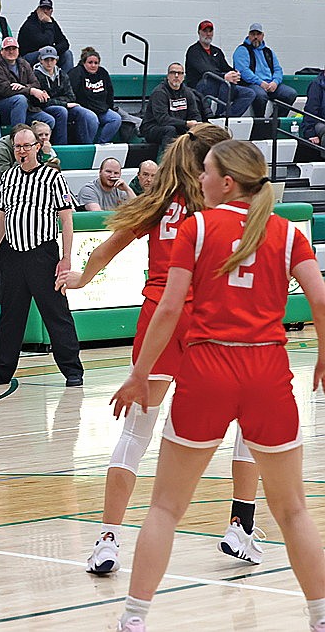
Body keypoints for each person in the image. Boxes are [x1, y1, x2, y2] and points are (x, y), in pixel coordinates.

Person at [108, 139, 325, 632]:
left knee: (165, 507)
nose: (198, 179)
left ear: (227, 181)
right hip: (267, 371)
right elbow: (321, 300)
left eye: (205, 172)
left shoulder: (197, 228)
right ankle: (319, 617)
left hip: (207, 369)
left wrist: (139, 374)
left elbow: (168, 309)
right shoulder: (288, 232)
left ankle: (134, 619)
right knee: (293, 511)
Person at [57, 125, 264, 577]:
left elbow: (108, 247)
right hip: (206, 322)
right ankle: (239, 525)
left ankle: (108, 539)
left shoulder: (156, 203)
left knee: (134, 435)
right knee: (249, 420)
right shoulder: (219, 206)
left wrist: (80, 279)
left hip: (157, 320)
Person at [0, 127, 83, 387]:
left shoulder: (52, 177)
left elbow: (66, 218)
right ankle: (1, 370)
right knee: (10, 315)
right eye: (17, 147)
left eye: (26, 146)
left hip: (43, 254)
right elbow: (1, 216)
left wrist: (66, 256)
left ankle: (72, 370)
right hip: (12, 254)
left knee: (56, 313)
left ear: (38, 147)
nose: (21, 151)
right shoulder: (9, 177)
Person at [0, 38, 61, 139]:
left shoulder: (23, 63)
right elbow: (4, 90)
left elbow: (36, 84)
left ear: (18, 50)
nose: (11, 51)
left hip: (26, 107)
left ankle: (37, 147)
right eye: (8, 49)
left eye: (14, 49)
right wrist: (30, 90)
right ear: (1, 51)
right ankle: (17, 139)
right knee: (19, 99)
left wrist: (25, 87)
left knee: (49, 120)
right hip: (2, 106)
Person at [185, 20, 256, 118]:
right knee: (226, 84)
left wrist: (235, 73)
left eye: (210, 31)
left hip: (220, 85)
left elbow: (225, 67)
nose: (208, 34)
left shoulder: (217, 51)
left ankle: (225, 116)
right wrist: (224, 76)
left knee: (249, 93)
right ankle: (219, 116)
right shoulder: (193, 51)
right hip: (201, 85)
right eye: (205, 31)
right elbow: (205, 70)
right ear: (199, 32)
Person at [232, 23, 297, 119]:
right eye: (252, 34)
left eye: (258, 34)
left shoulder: (268, 52)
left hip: (270, 84)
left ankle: (274, 121)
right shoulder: (242, 50)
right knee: (260, 95)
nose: (255, 37)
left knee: (290, 94)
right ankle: (260, 121)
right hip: (251, 84)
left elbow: (278, 69)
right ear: (248, 35)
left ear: (262, 36)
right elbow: (243, 71)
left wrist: (275, 82)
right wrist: (260, 82)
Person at [34, 46, 97, 145]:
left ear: (56, 60)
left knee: (81, 112)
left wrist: (55, 100)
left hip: (60, 105)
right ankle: (62, 146)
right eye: (46, 59)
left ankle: (85, 145)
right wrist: (64, 104)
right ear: (40, 60)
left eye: (52, 59)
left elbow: (71, 97)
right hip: (43, 109)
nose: (49, 62)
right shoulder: (35, 75)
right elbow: (41, 101)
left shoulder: (62, 74)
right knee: (61, 111)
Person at [140, 63, 201, 152]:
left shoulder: (188, 92)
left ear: (183, 77)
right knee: (170, 130)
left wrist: (197, 124)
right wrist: (186, 124)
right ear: (168, 76)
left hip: (177, 125)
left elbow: (195, 113)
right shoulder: (159, 92)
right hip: (153, 128)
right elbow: (162, 119)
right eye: (173, 73)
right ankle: (167, 160)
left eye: (180, 73)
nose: (176, 76)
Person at [68, 47, 123, 144]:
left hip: (100, 108)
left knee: (116, 118)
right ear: (84, 62)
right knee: (92, 118)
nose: (93, 65)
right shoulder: (76, 73)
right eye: (90, 62)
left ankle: (102, 143)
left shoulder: (103, 73)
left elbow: (109, 92)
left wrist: (109, 107)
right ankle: (88, 146)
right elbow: (72, 93)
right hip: (83, 108)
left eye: (96, 63)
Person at [17, 0, 73, 73]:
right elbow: (45, 42)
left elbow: (65, 43)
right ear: (38, 9)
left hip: (46, 54)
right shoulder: (30, 24)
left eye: (48, 9)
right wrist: (48, 24)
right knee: (45, 52)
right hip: (29, 57)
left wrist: (53, 49)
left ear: (51, 11)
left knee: (67, 54)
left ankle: (66, 81)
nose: (45, 11)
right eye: (43, 8)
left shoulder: (52, 22)